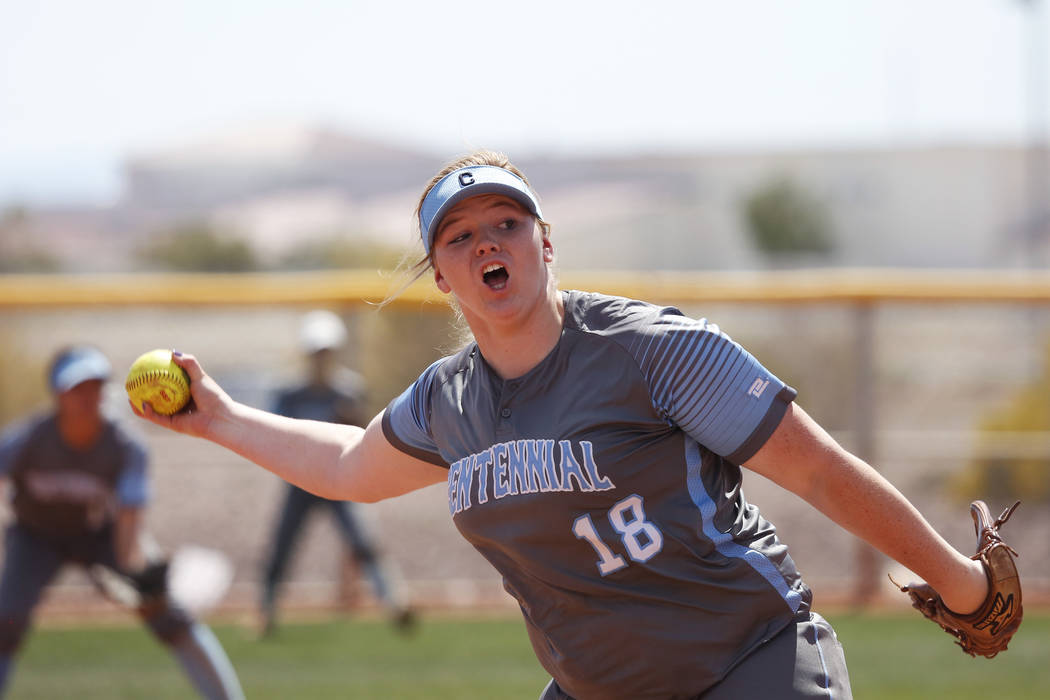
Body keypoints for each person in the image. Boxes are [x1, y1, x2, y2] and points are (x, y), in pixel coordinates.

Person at [132, 150, 995, 700]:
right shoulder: (448, 400)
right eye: (460, 236)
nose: (486, 243)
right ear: (441, 276)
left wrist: (959, 583)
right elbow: (354, 468)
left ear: (546, 245)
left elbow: (815, 469)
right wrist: (221, 419)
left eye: (506, 223)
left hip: (748, 666)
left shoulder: (651, 352)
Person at [0, 345, 245, 700]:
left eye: (96, 386)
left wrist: (134, 570)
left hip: (101, 535)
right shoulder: (30, 438)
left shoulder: (124, 443)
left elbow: (129, 517)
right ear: (57, 394)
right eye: (78, 388)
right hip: (35, 536)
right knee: (6, 622)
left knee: (169, 614)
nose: (89, 396)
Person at [259, 309, 414, 636]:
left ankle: (393, 602)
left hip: (341, 483)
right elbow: (274, 437)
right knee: (282, 546)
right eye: (317, 353)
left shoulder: (348, 391)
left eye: (326, 353)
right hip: (300, 485)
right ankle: (266, 612)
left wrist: (353, 419)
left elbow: (366, 440)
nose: (322, 359)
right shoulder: (289, 394)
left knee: (363, 541)